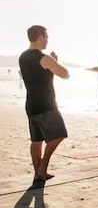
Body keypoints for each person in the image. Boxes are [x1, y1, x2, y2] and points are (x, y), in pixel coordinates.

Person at [18, 25, 69, 181]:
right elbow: (65, 74)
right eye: (46, 37)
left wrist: (52, 63)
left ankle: (38, 173)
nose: (47, 40)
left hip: (31, 104)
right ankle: (42, 165)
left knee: (37, 139)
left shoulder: (23, 57)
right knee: (59, 135)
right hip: (46, 104)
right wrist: (53, 60)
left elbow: (42, 76)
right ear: (40, 37)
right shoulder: (43, 57)